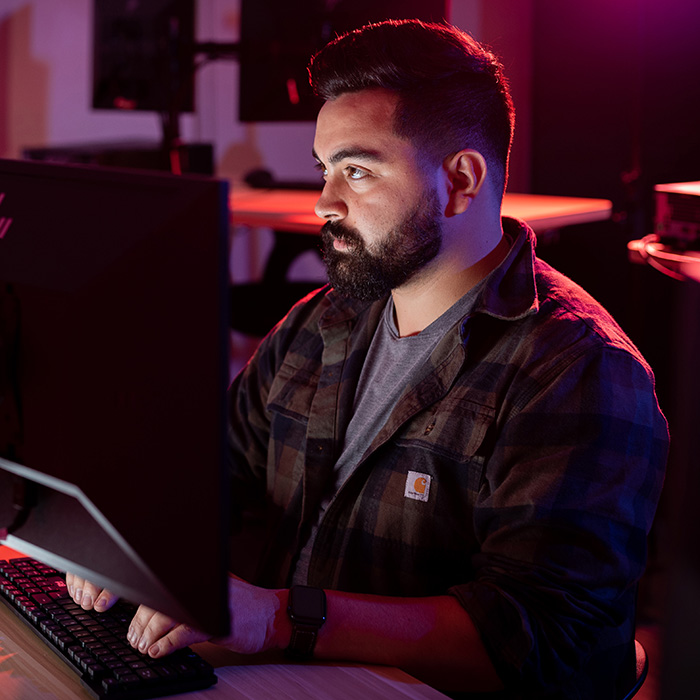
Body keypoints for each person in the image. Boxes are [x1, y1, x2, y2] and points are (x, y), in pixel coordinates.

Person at [66, 19, 668, 698]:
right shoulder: (320, 321)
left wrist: (281, 622)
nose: (325, 202)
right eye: (325, 170)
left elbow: (552, 644)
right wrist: (127, 541)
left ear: (462, 180)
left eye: (356, 170)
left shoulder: (577, 369)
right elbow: (214, 473)